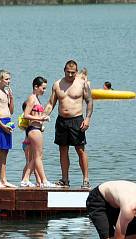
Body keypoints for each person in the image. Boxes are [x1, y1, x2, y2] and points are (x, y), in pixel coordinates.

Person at [44, 60, 93, 189]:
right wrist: (43, 116)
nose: (70, 75)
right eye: (68, 72)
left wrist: (87, 118)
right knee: (63, 150)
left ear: (76, 72)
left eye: (73, 73)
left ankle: (86, 180)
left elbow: (89, 101)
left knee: (80, 150)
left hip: (77, 120)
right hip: (61, 121)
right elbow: (51, 103)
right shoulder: (57, 84)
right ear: (64, 70)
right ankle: (65, 179)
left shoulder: (82, 84)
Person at [22, 76, 55, 188]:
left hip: (37, 129)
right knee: (38, 156)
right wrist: (40, 119)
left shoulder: (37, 98)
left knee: (36, 157)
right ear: (36, 87)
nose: (44, 91)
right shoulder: (32, 98)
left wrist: (43, 117)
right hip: (33, 130)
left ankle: (25, 179)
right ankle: (44, 181)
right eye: (43, 88)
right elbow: (26, 115)